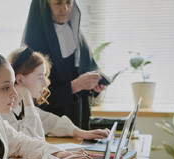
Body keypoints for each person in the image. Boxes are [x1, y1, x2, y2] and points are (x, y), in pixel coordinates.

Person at [22, 0, 111, 130]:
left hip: (80, 116)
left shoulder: (76, 34)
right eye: (58, 3)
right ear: (45, 6)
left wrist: (94, 85)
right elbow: (34, 98)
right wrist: (74, 86)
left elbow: (88, 69)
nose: (65, 8)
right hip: (52, 124)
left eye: (69, 3)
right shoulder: (34, 43)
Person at [1, 46, 110, 141]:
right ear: (19, 80)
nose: (45, 84)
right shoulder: (3, 111)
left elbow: (50, 121)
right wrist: (26, 96)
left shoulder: (19, 104)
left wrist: (82, 133)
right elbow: (35, 140)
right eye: (40, 77)